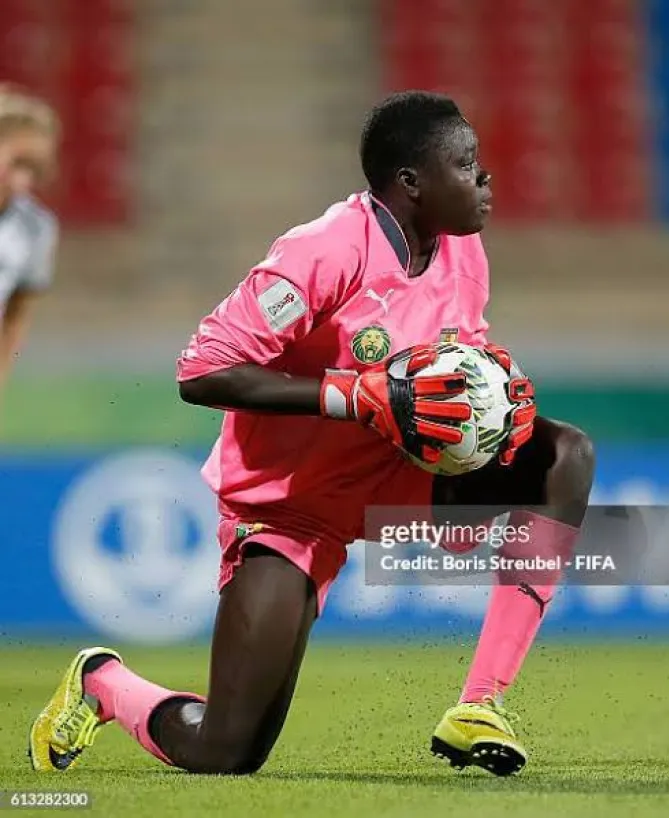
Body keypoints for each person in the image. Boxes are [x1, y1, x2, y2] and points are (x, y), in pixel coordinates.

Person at [29, 91, 594, 778]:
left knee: (562, 455)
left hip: (392, 478)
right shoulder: (326, 250)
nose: (485, 178)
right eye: (467, 163)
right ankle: (104, 683)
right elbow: (201, 370)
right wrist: (356, 394)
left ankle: (481, 702)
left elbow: (450, 368)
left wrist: (492, 412)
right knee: (227, 753)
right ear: (411, 183)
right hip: (285, 507)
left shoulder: (464, 253)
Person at [0, 84, 59, 398]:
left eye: (35, 168)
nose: (25, 178)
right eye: (18, 163)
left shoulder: (37, 228)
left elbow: (16, 315)